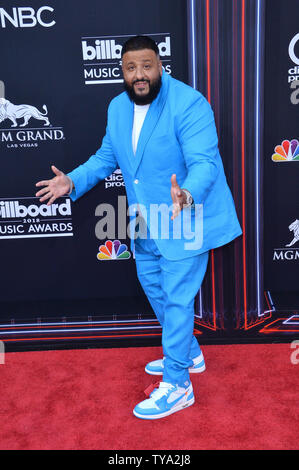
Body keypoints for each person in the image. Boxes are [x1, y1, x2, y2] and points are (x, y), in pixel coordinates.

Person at [36, 35, 242, 420]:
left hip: (187, 217)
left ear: (160, 65)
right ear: (122, 72)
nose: (139, 75)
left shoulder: (189, 104)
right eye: (130, 68)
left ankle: (179, 384)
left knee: (178, 299)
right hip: (145, 221)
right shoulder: (117, 107)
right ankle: (189, 353)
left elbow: (204, 163)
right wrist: (73, 181)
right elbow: (106, 157)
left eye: (146, 66)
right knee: (156, 290)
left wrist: (189, 195)